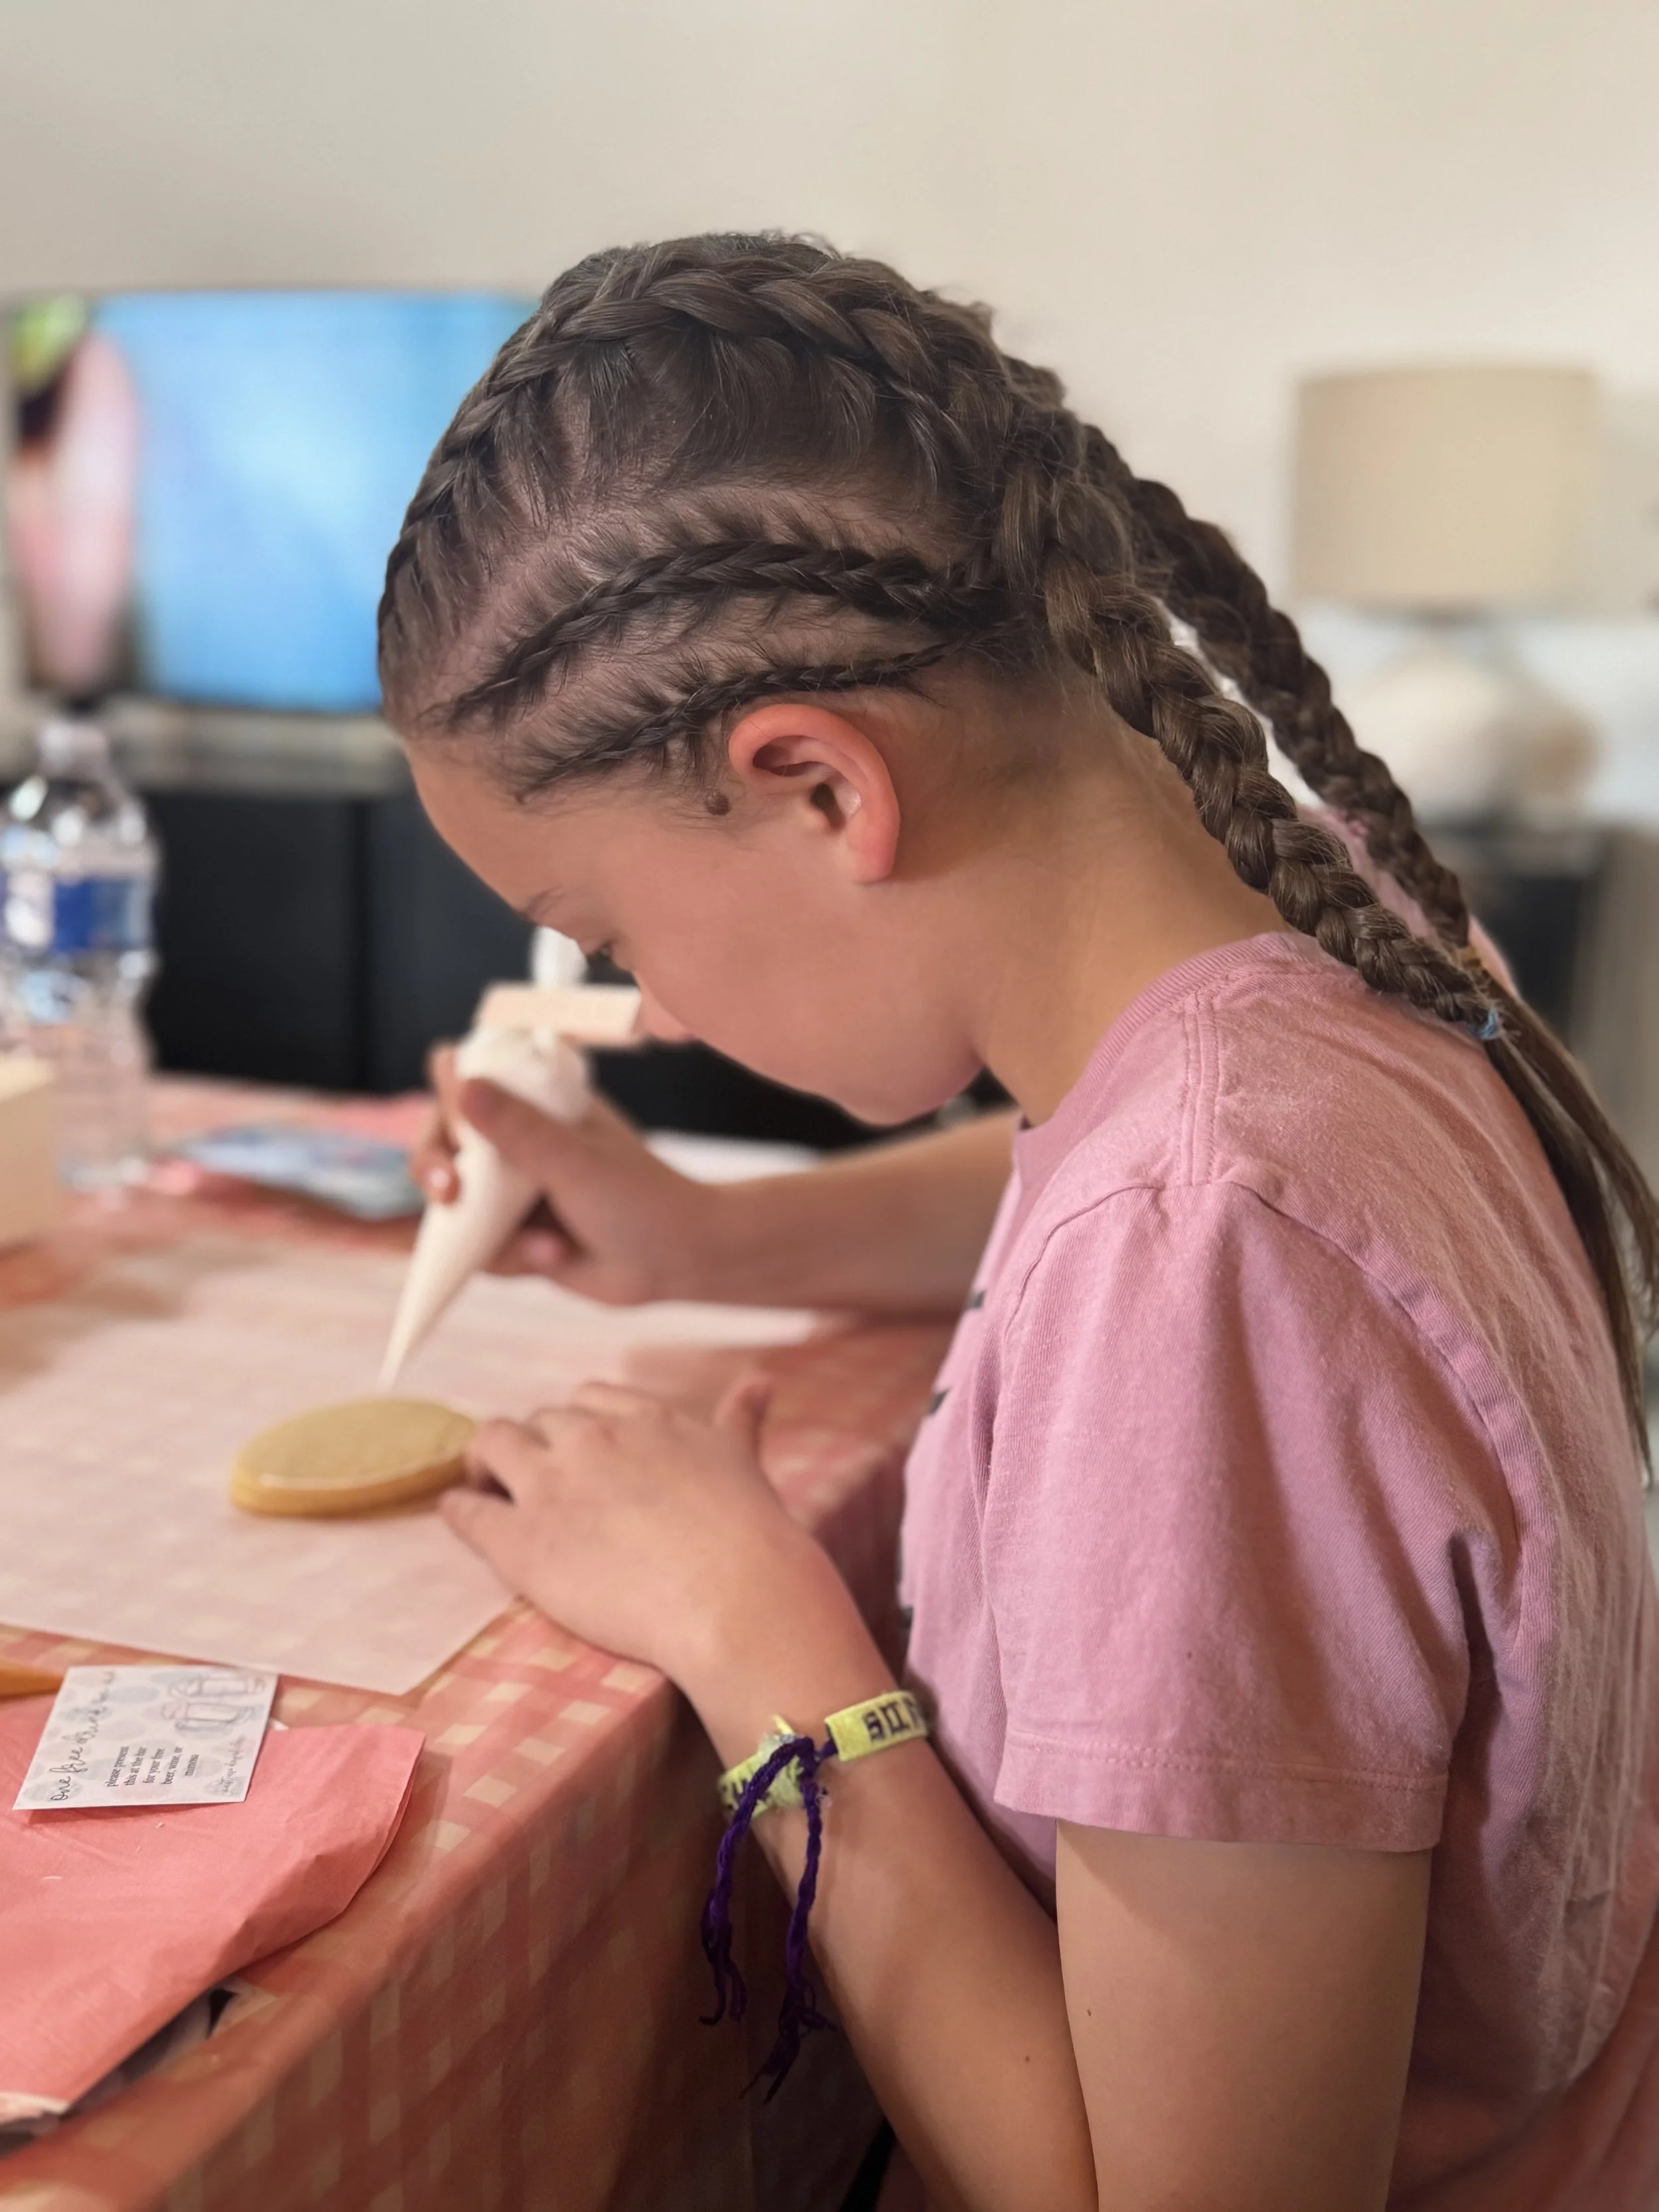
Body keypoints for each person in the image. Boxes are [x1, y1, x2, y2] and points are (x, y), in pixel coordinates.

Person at [380, 234, 1659, 2211]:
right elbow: (1093, 1155)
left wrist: (755, 1625)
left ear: (813, 782)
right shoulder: (1328, 915)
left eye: (607, 928)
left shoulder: (1208, 1255)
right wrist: (697, 1242)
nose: (642, 1002)